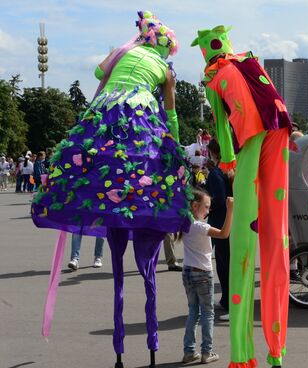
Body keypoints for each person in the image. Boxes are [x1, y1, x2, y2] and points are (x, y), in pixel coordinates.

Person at [32, 11, 190, 368]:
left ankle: (121, 353)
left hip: (104, 113)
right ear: (166, 49)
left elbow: (99, 73)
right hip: (139, 114)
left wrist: (127, 46)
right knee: (148, 177)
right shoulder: (166, 71)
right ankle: (149, 346)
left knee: (94, 172)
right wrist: (175, 150)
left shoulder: (124, 54)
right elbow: (172, 112)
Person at [192, 25, 291, 367]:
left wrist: (229, 159)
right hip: (279, 127)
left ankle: (243, 354)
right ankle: (276, 350)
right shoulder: (249, 61)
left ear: (206, 52)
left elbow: (221, 124)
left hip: (251, 138)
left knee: (243, 248)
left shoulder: (214, 77)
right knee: (276, 235)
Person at [180, 189, 233, 364]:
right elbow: (224, 234)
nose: (208, 211)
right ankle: (206, 352)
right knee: (208, 314)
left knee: (193, 311)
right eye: (206, 207)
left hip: (188, 270)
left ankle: (189, 351)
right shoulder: (200, 226)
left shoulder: (185, 222)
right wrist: (230, 210)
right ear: (195, 206)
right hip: (202, 272)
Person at [206, 138, 233, 319]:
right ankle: (226, 299)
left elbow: (218, 199)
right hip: (232, 220)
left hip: (220, 221)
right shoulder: (231, 169)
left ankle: (230, 302)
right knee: (228, 263)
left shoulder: (215, 173)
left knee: (224, 264)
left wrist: (205, 204)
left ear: (214, 153)